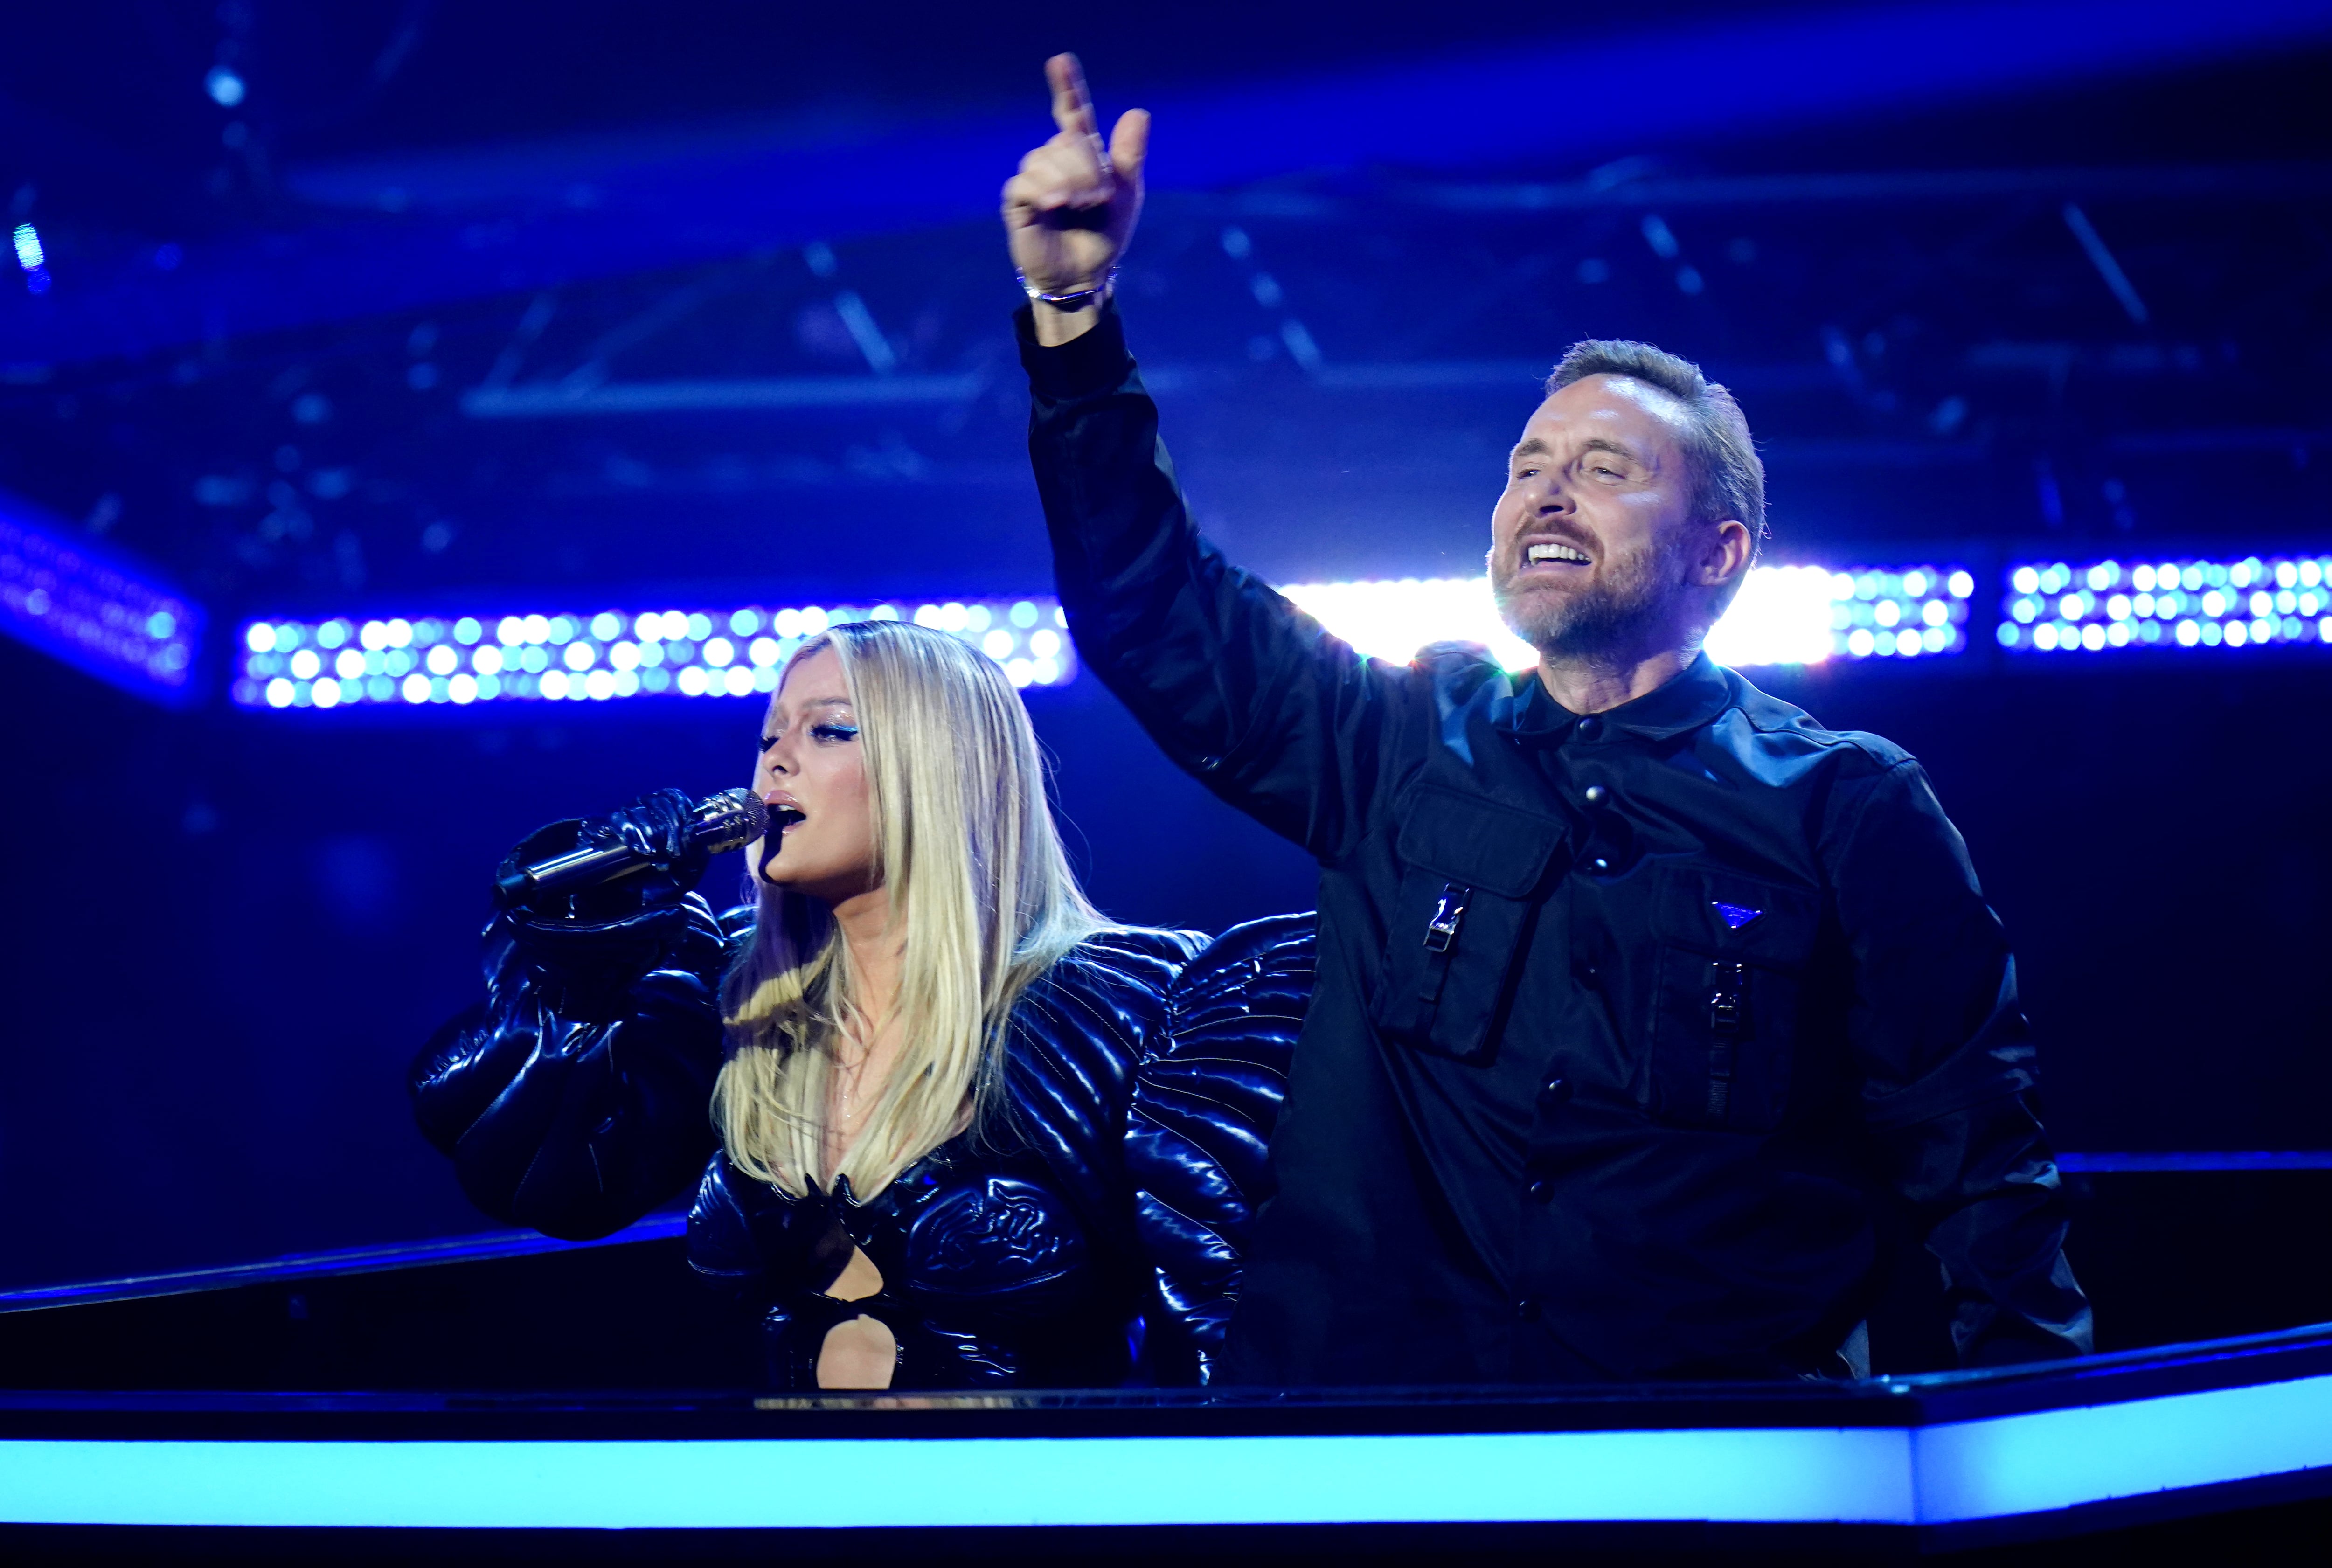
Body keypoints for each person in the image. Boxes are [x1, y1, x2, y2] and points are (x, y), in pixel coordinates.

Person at [1001, 56, 2092, 1385]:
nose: (1546, 495)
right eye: (1527, 469)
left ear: (1720, 551)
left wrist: (2040, 1426)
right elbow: (1151, 610)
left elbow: (1978, 1150)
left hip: (1702, 1463)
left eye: (1604, 469)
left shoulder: (1846, 803)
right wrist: (1073, 307)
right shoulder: (1395, 739)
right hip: (1374, 1445)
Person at [411, 619, 1228, 1389]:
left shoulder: (1112, 1003)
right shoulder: (734, 999)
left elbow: (1226, 1312)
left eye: (828, 730)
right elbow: (532, 1167)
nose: (775, 764)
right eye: (769, 737)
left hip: (1033, 1518)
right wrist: (590, 949)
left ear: (940, 767)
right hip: (788, 1518)